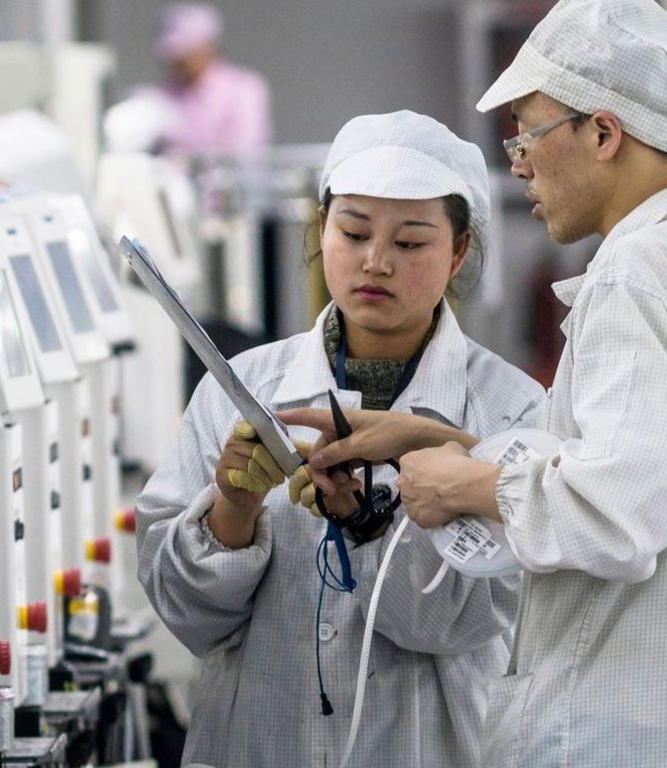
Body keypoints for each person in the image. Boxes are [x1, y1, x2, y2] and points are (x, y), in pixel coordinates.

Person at [281, 2, 667, 766]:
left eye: (528, 132)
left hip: (617, 729)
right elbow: (641, 464)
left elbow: (624, 511)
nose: (516, 162)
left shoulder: (636, 274)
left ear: (603, 133)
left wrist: (464, 491)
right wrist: (443, 442)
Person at [135, 110, 545, 767]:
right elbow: (189, 618)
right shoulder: (242, 386)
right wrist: (232, 511)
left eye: (410, 243)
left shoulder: (510, 413)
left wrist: (364, 522)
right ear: (320, 229)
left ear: (459, 250)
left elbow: (457, 623)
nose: (375, 262)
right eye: (352, 232)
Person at [105, 3, 271, 157]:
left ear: (208, 46)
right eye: (171, 54)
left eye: (185, 52)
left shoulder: (243, 90)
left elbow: (245, 155)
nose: (175, 61)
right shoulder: (160, 96)